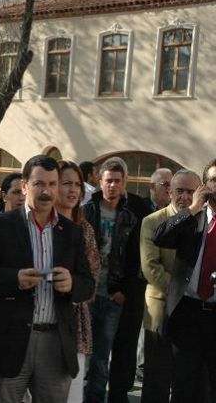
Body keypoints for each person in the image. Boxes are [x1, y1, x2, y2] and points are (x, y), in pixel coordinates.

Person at [0, 154, 94, 402]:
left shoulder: (72, 233)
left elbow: (87, 285)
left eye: (52, 184)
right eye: (39, 184)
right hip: (9, 340)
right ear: (25, 185)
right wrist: (14, 278)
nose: (46, 191)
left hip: (55, 344)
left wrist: (71, 284)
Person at [153, 159, 216, 403]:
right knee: (183, 385)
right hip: (187, 313)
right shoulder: (192, 218)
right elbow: (161, 237)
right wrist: (193, 208)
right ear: (204, 185)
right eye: (213, 180)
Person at [83, 157, 141, 403]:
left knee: (101, 356)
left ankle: (95, 399)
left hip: (113, 295)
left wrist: (123, 290)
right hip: (88, 293)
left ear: (125, 182)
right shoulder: (88, 210)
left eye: (117, 181)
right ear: (99, 181)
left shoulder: (131, 215)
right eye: (108, 181)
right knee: (81, 353)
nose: (113, 186)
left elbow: (135, 257)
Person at [140, 169, 201, 403]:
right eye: (179, 191)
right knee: (157, 378)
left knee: (186, 379)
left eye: (190, 191)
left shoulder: (203, 222)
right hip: (160, 310)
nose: (184, 196)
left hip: (193, 315)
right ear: (169, 191)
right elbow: (151, 268)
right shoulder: (152, 222)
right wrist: (184, 292)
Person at [55, 161, 100, 403]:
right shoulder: (38, 225)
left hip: (74, 321)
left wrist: (72, 284)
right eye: (66, 183)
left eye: (77, 185)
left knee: (71, 393)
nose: (73, 190)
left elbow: (92, 280)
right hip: (35, 322)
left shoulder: (84, 229)